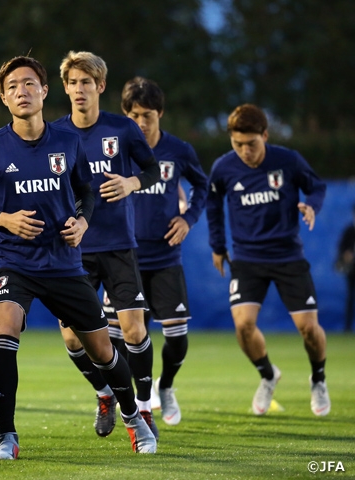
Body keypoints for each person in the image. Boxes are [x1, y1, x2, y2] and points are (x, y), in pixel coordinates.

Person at [0, 55, 157, 459]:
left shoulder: (67, 142)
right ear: (3, 96)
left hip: (64, 262)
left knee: (103, 350)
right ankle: (7, 438)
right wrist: (4, 220)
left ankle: (134, 417)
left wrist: (83, 223)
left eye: (29, 83)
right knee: (5, 329)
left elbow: (86, 190)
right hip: (12, 260)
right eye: (13, 86)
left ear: (45, 91)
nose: (22, 91)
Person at [51, 52, 161, 438]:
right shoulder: (54, 135)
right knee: (71, 335)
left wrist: (131, 183)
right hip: (73, 249)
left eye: (86, 82)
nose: (79, 89)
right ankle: (104, 394)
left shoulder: (124, 130)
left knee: (133, 330)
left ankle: (145, 408)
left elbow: (150, 170)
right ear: (64, 88)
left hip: (117, 245)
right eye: (73, 82)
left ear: (100, 86)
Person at [206, 103, 331, 416]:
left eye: (252, 144)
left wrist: (311, 205)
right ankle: (267, 375)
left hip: (288, 256)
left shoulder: (287, 160)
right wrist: (218, 246)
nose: (245, 151)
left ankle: (318, 379)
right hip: (247, 259)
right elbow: (213, 206)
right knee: (244, 326)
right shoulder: (223, 168)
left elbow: (316, 186)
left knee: (309, 329)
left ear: (265, 135)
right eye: (238, 145)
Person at [103, 77, 207, 426]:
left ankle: (167, 387)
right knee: (118, 337)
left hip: (164, 258)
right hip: (122, 257)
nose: (141, 123)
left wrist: (188, 218)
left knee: (176, 336)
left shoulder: (178, 150)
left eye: (148, 115)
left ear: (160, 113)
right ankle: (128, 399)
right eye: (134, 115)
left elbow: (202, 186)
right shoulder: (113, 150)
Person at [335, 204, 355, 332]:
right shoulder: (349, 231)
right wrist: (345, 255)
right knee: (350, 298)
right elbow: (342, 248)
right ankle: (347, 328)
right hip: (352, 270)